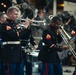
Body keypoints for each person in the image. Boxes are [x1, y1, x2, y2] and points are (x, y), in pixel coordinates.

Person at [0, 6, 25, 75]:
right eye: (15, 14)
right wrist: (24, 28)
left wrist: (27, 28)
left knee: (19, 72)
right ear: (10, 14)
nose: (17, 16)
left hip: (17, 52)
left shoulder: (15, 24)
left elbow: (22, 36)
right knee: (10, 71)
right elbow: (14, 35)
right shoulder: (5, 25)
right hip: (10, 52)